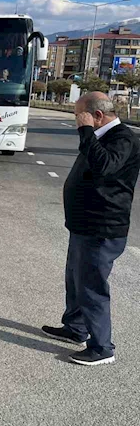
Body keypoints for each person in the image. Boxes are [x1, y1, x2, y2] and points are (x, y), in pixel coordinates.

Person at [42, 92, 140, 366]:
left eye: (79, 116)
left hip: (102, 227)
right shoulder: (100, 136)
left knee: (92, 286)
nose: (76, 122)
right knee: (75, 280)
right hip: (84, 225)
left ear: (97, 115)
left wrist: (86, 132)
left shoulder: (123, 138)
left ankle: (102, 348)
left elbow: (104, 167)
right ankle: (75, 328)